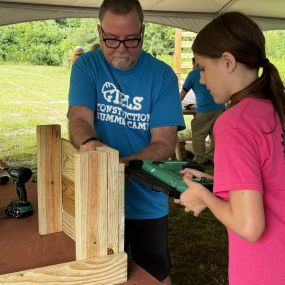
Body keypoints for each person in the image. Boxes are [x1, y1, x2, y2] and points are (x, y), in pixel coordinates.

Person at [67, 0, 185, 284]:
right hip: (98, 199)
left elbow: (164, 142)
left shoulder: (162, 75)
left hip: (147, 203)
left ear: (142, 32)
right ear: (99, 32)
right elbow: (79, 119)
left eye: (131, 39)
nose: (121, 48)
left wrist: (118, 166)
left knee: (155, 276)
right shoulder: (86, 66)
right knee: (101, 275)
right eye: (111, 39)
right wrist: (91, 146)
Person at [174, 12, 285, 285]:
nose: (200, 79)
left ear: (227, 62)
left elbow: (250, 227)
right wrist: (217, 185)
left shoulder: (233, 124)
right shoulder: (275, 109)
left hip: (264, 270)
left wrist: (204, 196)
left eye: (202, 68)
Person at [180, 58, 225, 164]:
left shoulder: (192, 74)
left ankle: (200, 159)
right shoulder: (214, 71)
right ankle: (213, 157)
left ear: (195, 63)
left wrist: (171, 107)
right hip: (221, 108)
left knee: (198, 132)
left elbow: (182, 95)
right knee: (215, 134)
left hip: (205, 109)